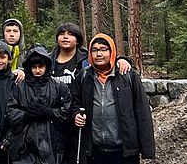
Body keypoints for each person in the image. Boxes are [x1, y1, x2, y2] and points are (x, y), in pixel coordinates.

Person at [50, 25, 132, 161]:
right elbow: (35, 69)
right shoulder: (49, 60)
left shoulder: (86, 60)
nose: (65, 37)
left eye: (70, 34)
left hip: (81, 126)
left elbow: (105, 59)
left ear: (78, 39)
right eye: (62, 34)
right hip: (54, 119)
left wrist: (122, 60)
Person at [71, 34, 155, 164]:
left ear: (112, 51)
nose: (99, 54)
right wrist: (76, 114)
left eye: (104, 49)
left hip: (124, 152)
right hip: (94, 151)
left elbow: (142, 112)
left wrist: (147, 149)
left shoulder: (127, 76)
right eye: (94, 50)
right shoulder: (84, 77)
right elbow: (75, 102)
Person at [6, 45, 71, 164]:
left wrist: (49, 112)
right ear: (28, 67)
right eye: (34, 67)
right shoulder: (19, 87)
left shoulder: (59, 87)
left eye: (41, 66)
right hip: (24, 145)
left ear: (47, 66)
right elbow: (10, 111)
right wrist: (26, 116)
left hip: (53, 143)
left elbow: (67, 112)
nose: (37, 70)